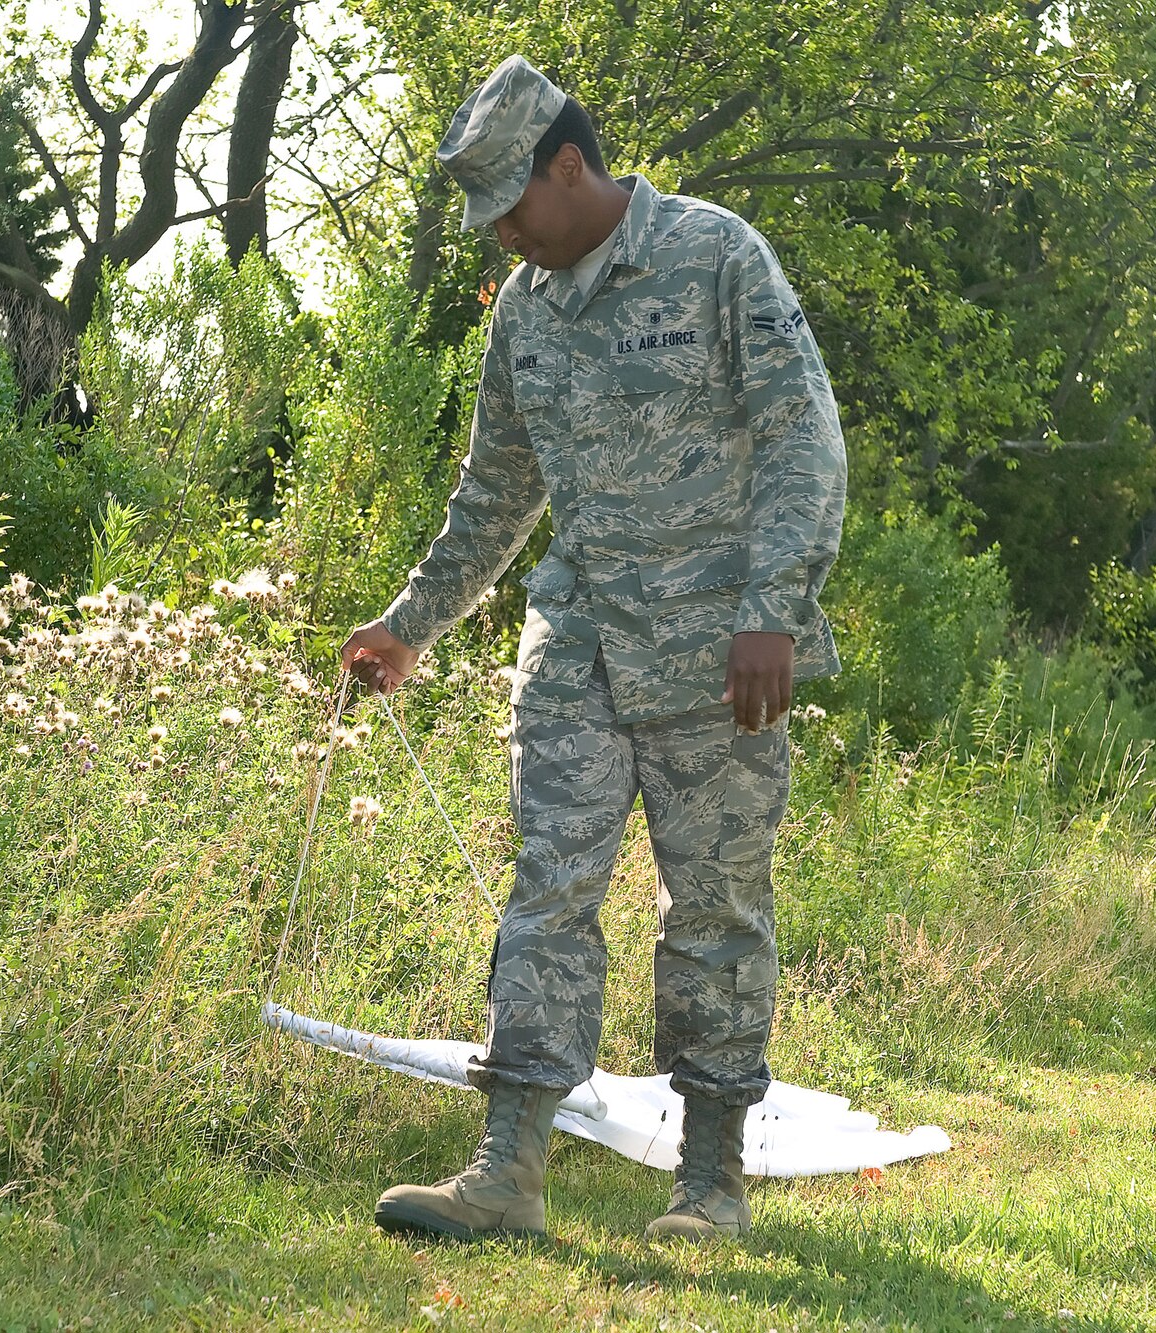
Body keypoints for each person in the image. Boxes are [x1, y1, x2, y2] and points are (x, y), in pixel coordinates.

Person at [339, 54, 847, 1244]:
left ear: (568, 166)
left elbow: (800, 439)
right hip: (576, 646)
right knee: (546, 890)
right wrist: (406, 627)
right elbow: (493, 498)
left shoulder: (716, 256)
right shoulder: (525, 310)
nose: (501, 236)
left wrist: (771, 608)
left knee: (714, 906)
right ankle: (505, 1168)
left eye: (511, 208)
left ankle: (709, 1181)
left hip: (721, 651)